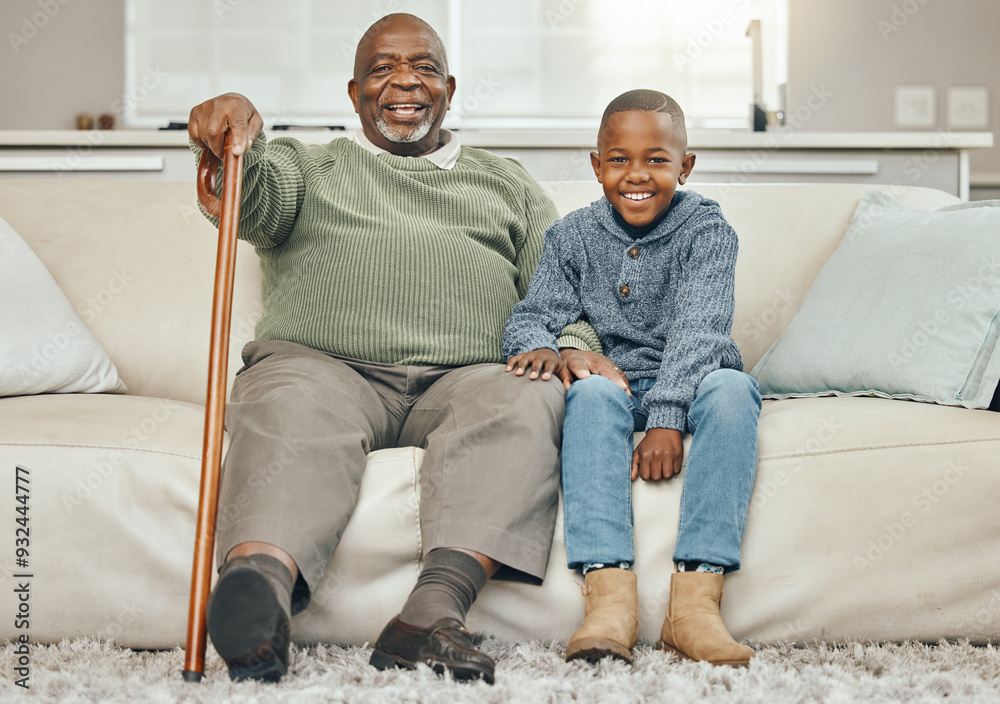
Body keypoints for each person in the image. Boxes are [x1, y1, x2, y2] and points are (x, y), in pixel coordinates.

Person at [187, 13, 599, 684]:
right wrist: (240, 138)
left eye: (424, 68)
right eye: (382, 69)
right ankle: (256, 590)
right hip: (323, 368)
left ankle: (429, 614)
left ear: (450, 88)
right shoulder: (308, 166)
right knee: (288, 407)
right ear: (353, 94)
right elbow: (251, 202)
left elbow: (560, 290)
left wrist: (575, 346)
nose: (405, 80)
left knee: (528, 395)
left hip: (471, 375)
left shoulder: (507, 182)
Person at [503, 89, 761, 667]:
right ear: (596, 166)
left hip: (695, 377)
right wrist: (548, 348)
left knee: (734, 390)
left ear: (685, 167)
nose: (636, 174)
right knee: (590, 395)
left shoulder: (708, 233)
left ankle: (694, 604)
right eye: (618, 159)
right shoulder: (571, 237)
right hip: (617, 382)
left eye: (657, 160)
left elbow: (700, 330)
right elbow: (531, 315)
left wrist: (667, 420)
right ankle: (607, 601)